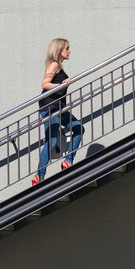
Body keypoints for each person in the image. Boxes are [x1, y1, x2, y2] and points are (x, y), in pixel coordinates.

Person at [32, 38, 85, 185]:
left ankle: (68, 162)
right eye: (67, 48)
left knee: (78, 128)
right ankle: (39, 176)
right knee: (52, 141)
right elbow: (45, 84)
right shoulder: (54, 64)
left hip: (59, 107)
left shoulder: (59, 66)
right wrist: (61, 84)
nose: (69, 51)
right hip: (49, 107)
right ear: (59, 50)